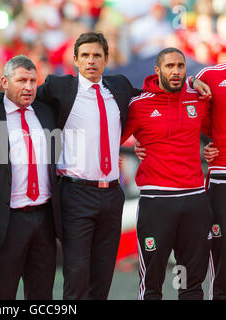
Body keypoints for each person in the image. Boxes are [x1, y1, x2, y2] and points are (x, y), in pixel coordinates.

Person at [0, 32, 141, 300]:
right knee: (75, 275)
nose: (91, 61)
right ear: (75, 59)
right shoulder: (58, 89)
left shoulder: (120, 87)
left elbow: (151, 99)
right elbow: (15, 97)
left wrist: (193, 83)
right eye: (85, 55)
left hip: (112, 194)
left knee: (100, 277)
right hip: (74, 195)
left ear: (106, 59)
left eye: (97, 55)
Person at [120, 47, 213, 300]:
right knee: (152, 283)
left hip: (195, 200)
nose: (176, 71)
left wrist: (214, 147)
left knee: (191, 282)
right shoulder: (139, 105)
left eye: (180, 66)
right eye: (169, 66)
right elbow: (111, 138)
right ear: (157, 70)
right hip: (156, 203)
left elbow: (214, 130)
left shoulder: (198, 98)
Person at [0, 55, 62, 299]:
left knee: (42, 295)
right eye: (21, 80)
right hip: (7, 220)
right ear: (4, 81)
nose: (28, 87)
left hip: (45, 219)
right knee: (1, 295)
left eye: (33, 81)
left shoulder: (47, 112)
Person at [192, 62, 226, 300]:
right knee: (222, 249)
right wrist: (191, 81)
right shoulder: (210, 75)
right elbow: (184, 106)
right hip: (222, 172)